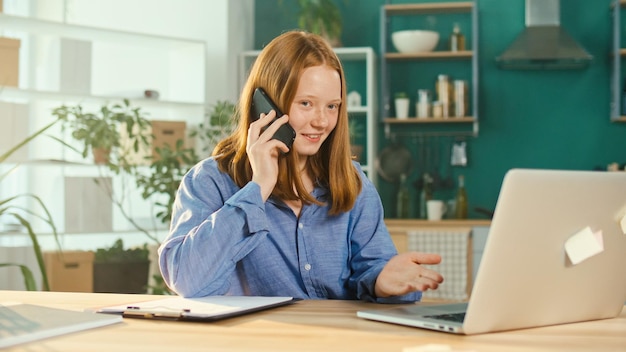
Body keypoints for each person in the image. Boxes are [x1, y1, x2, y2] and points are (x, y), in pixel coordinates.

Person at [158, 30, 443, 302]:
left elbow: (372, 270)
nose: (322, 121)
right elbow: (186, 280)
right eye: (306, 103)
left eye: (332, 106)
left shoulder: (350, 179)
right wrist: (257, 189)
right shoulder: (211, 181)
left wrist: (382, 281)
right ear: (266, 105)